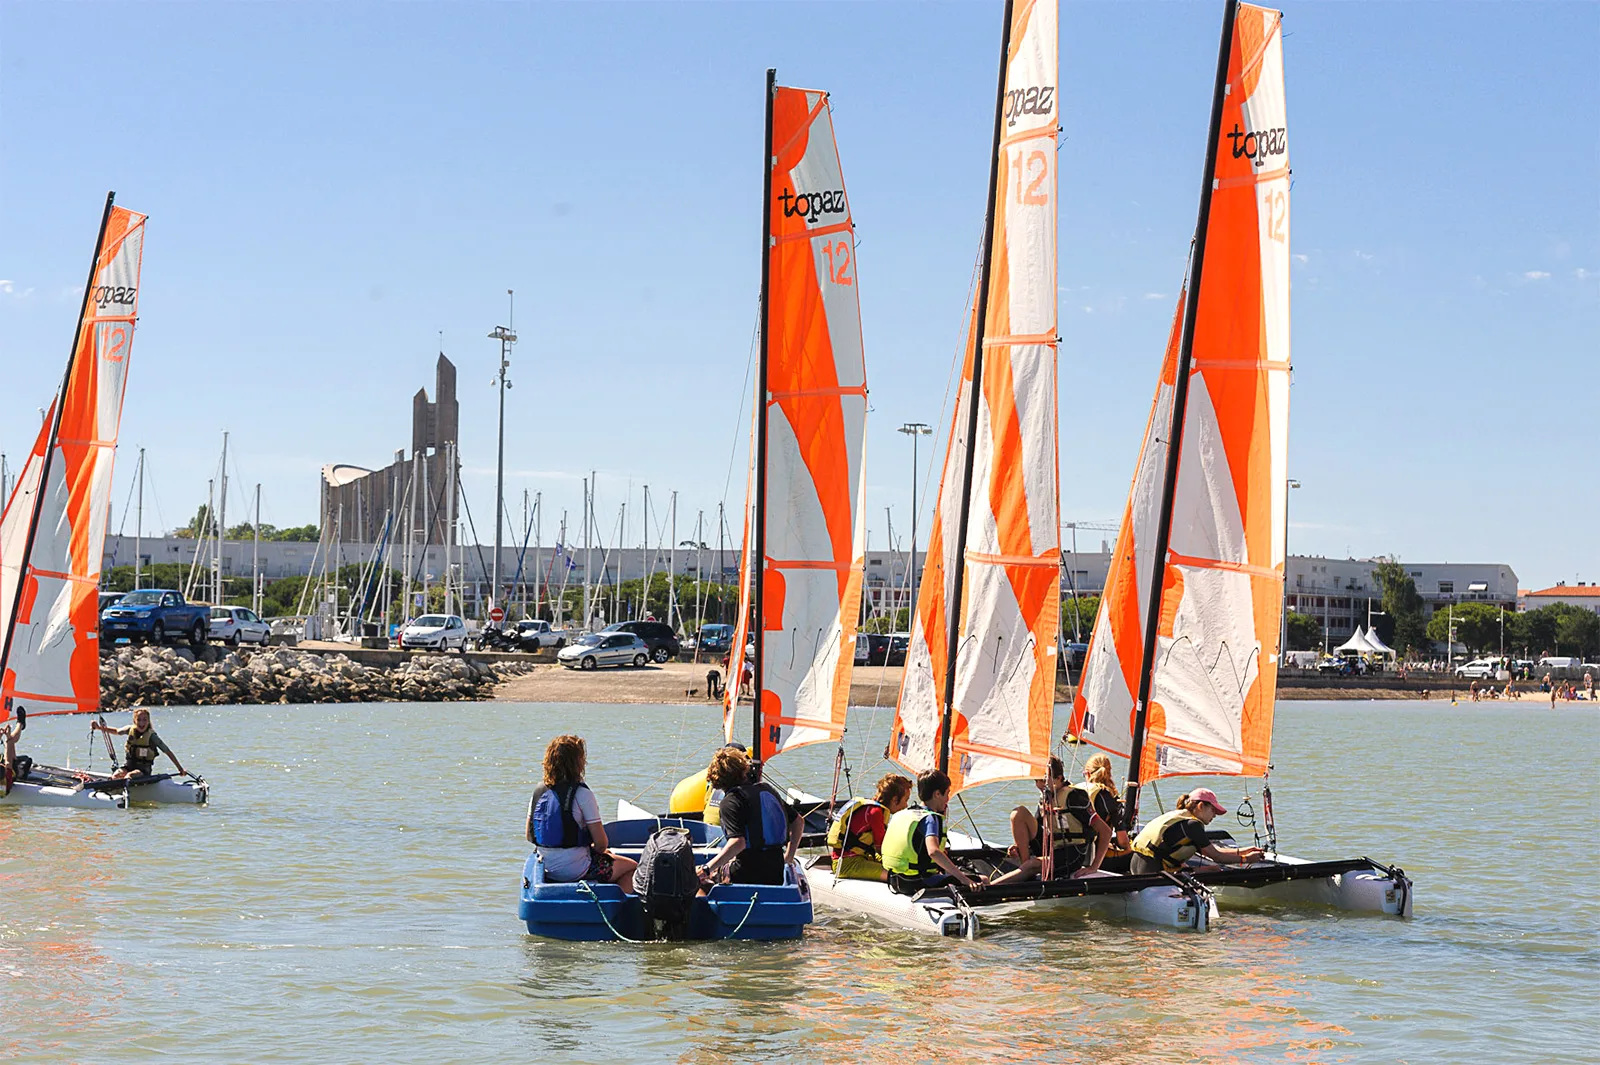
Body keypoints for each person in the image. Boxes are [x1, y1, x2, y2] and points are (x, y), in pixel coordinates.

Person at [992, 754, 1128, 885]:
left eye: (1043, 780)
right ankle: (1026, 869)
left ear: (1059, 778)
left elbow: (1106, 832)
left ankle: (991, 886)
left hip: (1072, 854)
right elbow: (1035, 828)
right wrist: (1019, 845)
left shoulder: (1075, 797)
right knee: (1018, 813)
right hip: (1051, 849)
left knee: (1032, 864)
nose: (1039, 785)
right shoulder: (1047, 796)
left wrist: (1094, 867)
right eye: (1036, 781)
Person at [526, 734, 636, 892]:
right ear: (578, 762)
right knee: (633, 868)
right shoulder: (582, 794)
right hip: (576, 870)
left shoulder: (538, 792)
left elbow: (528, 834)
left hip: (546, 866)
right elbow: (601, 843)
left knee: (607, 856)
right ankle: (612, 907)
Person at [699, 746, 802, 886]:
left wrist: (706, 869)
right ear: (743, 770)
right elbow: (798, 822)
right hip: (775, 872)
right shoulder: (766, 790)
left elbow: (738, 843)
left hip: (746, 874)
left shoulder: (730, 802)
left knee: (698, 882)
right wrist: (789, 857)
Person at [881, 769, 985, 896]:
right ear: (937, 794)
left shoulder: (904, 813)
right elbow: (933, 851)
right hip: (917, 882)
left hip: (895, 880)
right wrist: (965, 879)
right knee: (984, 880)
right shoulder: (930, 818)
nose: (947, 799)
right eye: (947, 794)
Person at [1130, 789, 1264, 874]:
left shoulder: (1181, 817)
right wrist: (1246, 859)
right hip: (1152, 871)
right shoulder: (1193, 825)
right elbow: (1217, 857)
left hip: (1136, 865)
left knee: (1211, 868)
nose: (1215, 815)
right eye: (1213, 810)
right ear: (1201, 806)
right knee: (1213, 869)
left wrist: (1244, 850)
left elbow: (1212, 850)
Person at [827, 773, 912, 881]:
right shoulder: (875, 813)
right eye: (906, 800)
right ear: (895, 800)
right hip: (847, 865)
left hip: (852, 858)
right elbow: (881, 848)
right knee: (897, 876)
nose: (906, 806)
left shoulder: (869, 807)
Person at [92, 709, 188, 779]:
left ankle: (126, 795)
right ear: (135, 721)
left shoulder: (152, 736)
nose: (142, 722)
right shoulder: (130, 729)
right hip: (128, 766)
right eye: (139, 720)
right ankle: (114, 791)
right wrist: (98, 728)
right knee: (116, 776)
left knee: (129, 776)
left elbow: (167, 751)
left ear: (148, 721)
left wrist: (180, 769)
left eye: (144, 720)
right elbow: (116, 731)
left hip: (143, 770)